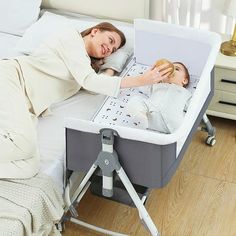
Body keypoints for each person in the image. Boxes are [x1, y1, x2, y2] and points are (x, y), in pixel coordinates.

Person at [0, 22, 172, 179]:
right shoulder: (70, 38)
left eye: (113, 50)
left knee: (30, 166)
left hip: (27, 106)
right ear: (95, 31)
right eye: (110, 40)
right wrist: (142, 79)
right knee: (25, 144)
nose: (110, 49)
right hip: (13, 79)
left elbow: (94, 87)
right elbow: (90, 81)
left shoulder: (83, 67)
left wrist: (111, 67)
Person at [127, 61, 192, 134]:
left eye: (176, 69)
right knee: (135, 100)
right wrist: (151, 74)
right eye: (168, 69)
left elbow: (193, 107)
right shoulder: (156, 85)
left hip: (173, 120)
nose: (171, 70)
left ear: (184, 80)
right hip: (150, 115)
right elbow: (142, 85)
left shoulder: (185, 93)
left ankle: (179, 136)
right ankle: (141, 119)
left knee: (184, 123)